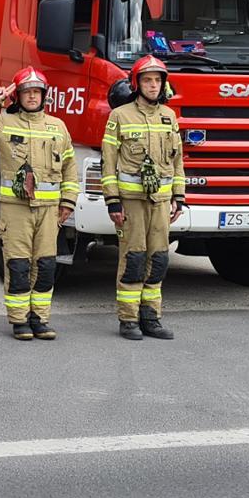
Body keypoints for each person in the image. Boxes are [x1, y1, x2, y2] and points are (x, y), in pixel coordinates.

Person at [0, 67, 78, 341]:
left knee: (46, 266)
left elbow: (70, 167)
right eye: (27, 92)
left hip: (49, 212)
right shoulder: (3, 123)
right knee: (18, 265)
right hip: (15, 210)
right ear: (18, 96)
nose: (32, 97)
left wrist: (68, 202)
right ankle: (19, 321)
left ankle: (40, 319)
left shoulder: (58, 126)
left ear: (44, 95)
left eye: (37, 92)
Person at [102, 55, 185, 341]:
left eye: (157, 80)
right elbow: (108, 162)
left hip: (161, 203)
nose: (153, 85)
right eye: (147, 80)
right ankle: (128, 320)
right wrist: (112, 200)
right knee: (133, 259)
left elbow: (177, 161)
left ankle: (151, 318)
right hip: (131, 203)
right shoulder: (119, 116)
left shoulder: (169, 116)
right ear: (136, 84)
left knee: (158, 259)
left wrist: (179, 196)